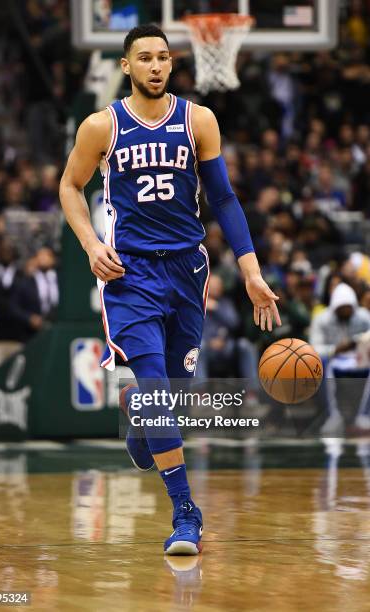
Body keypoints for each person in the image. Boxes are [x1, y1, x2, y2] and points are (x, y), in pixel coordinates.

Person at [59, 24, 281, 556]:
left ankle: (142, 425)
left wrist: (251, 271)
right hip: (130, 274)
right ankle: (186, 513)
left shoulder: (197, 120)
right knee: (157, 388)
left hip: (187, 271)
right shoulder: (102, 126)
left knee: (167, 400)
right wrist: (91, 244)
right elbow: (70, 186)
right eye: (145, 58)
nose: (156, 66)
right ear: (127, 66)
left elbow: (224, 200)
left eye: (163, 58)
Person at [309, 282, 370, 435]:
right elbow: (313, 349)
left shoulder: (363, 317)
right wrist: (335, 349)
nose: (345, 311)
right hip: (333, 360)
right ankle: (332, 415)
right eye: (341, 308)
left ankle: (364, 414)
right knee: (320, 364)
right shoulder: (321, 319)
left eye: (348, 308)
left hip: (359, 360)